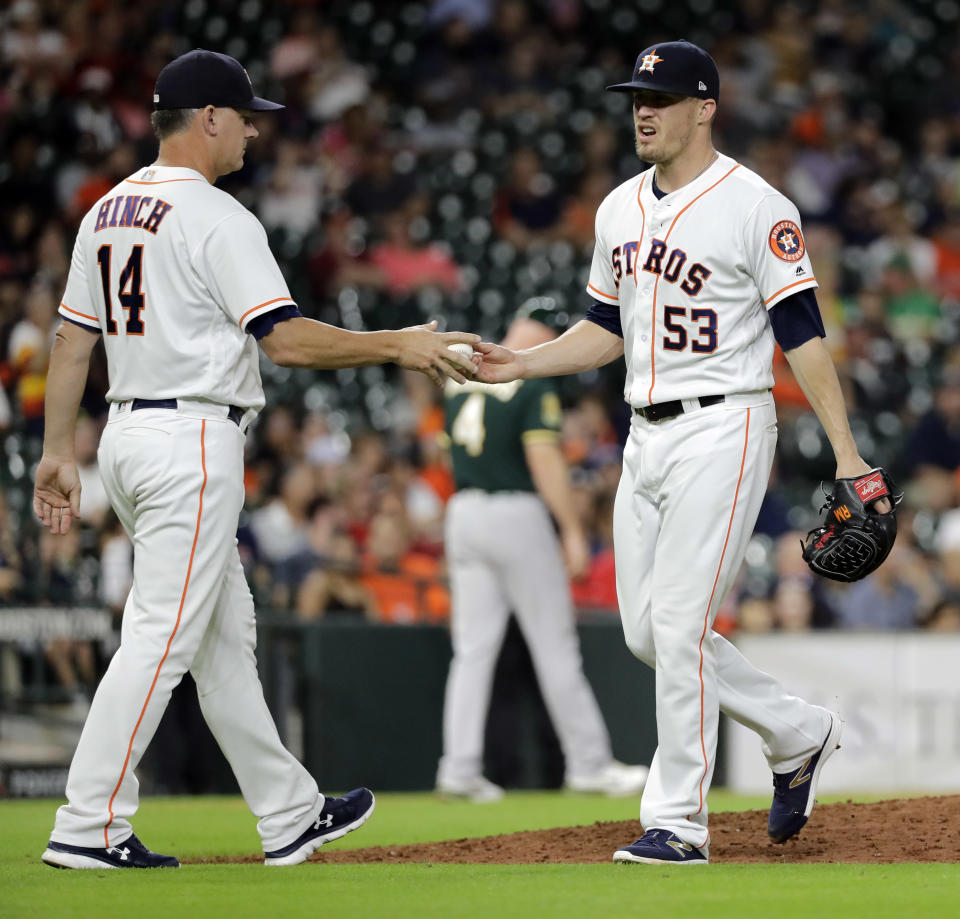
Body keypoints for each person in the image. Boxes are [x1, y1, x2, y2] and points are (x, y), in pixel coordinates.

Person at [32, 49, 479, 871]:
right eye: (244, 117)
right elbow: (289, 340)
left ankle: (289, 813)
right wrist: (399, 345)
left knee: (222, 639)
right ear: (207, 120)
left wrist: (60, 449)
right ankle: (88, 820)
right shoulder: (216, 216)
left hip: (129, 436)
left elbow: (69, 339)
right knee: (161, 638)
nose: (251, 131)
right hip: (191, 438)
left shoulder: (106, 211)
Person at [472, 41, 892, 864]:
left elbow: (801, 333)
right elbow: (601, 331)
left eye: (661, 97)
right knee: (646, 633)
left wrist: (848, 454)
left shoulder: (756, 204)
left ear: (706, 107)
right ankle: (799, 732)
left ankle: (678, 822)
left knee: (679, 623)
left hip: (726, 425)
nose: (643, 109)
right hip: (645, 435)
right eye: (637, 95)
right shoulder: (618, 208)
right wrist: (522, 362)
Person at [437, 298, 649, 802]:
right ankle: (590, 763)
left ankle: (458, 767)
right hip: (516, 512)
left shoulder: (460, 374)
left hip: (464, 511)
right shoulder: (530, 378)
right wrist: (572, 530)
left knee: (471, 651)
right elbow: (543, 459)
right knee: (555, 647)